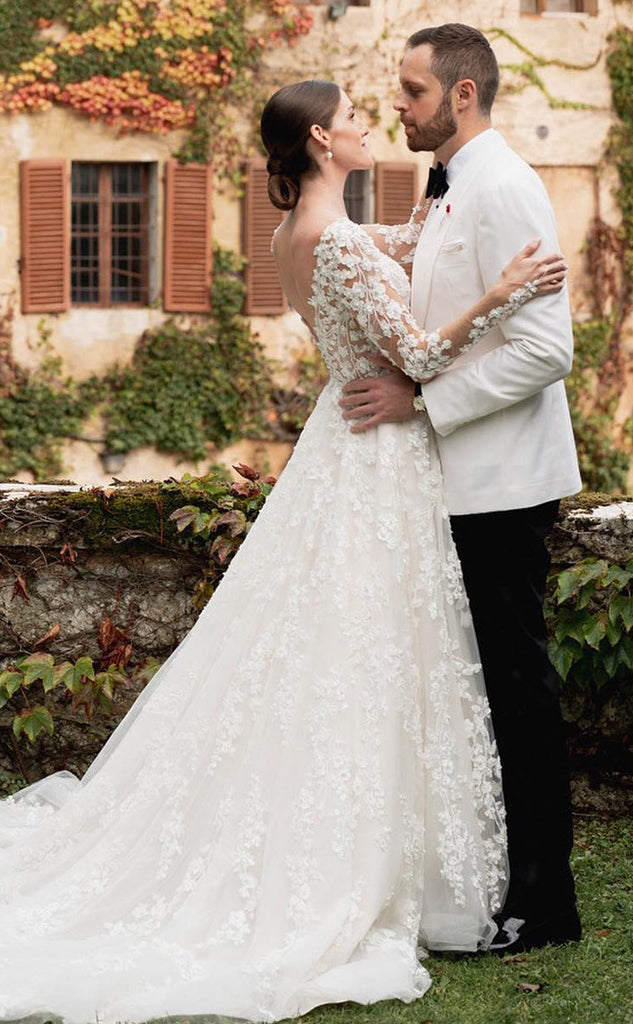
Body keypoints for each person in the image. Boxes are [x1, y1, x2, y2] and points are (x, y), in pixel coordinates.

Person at [0, 80, 567, 1024]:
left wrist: (443, 199)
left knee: (337, 652)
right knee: (368, 653)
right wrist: (501, 294)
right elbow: (420, 356)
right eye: (353, 117)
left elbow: (401, 247)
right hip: (377, 453)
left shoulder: (297, 234)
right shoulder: (334, 242)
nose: (369, 122)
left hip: (342, 448)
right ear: (320, 139)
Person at [339, 24, 583, 954]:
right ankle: (494, 877)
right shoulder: (446, 186)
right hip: (457, 481)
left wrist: (422, 404)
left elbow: (546, 350)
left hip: (503, 481)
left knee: (518, 688)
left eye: (412, 91)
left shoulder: (506, 186)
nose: (399, 105)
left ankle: (546, 903)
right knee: (480, 689)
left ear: (463, 95)